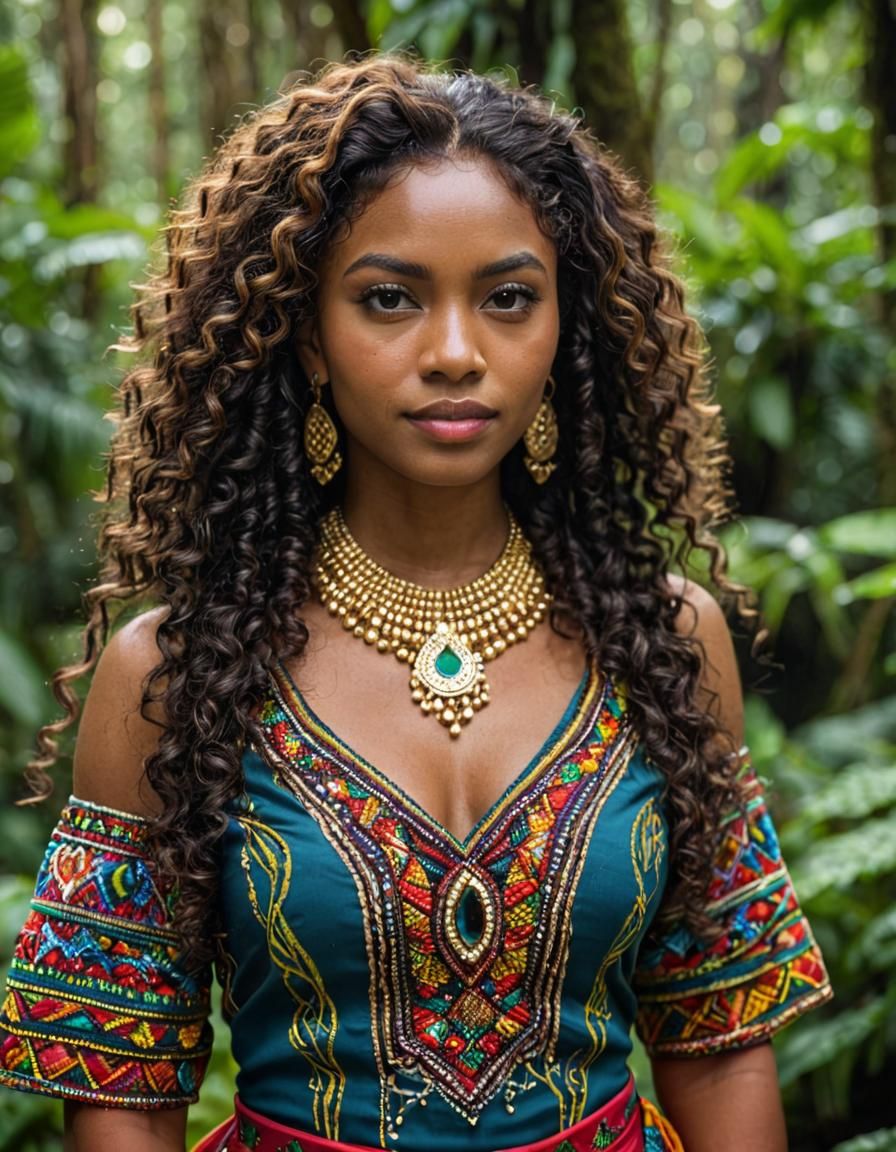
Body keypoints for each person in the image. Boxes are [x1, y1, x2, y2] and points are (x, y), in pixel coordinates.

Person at [0, 55, 831, 1152]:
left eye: (507, 299)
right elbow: (120, 1088)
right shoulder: (172, 676)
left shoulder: (667, 643)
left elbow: (720, 1047)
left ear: (564, 326)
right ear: (306, 331)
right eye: (388, 298)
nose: (453, 353)